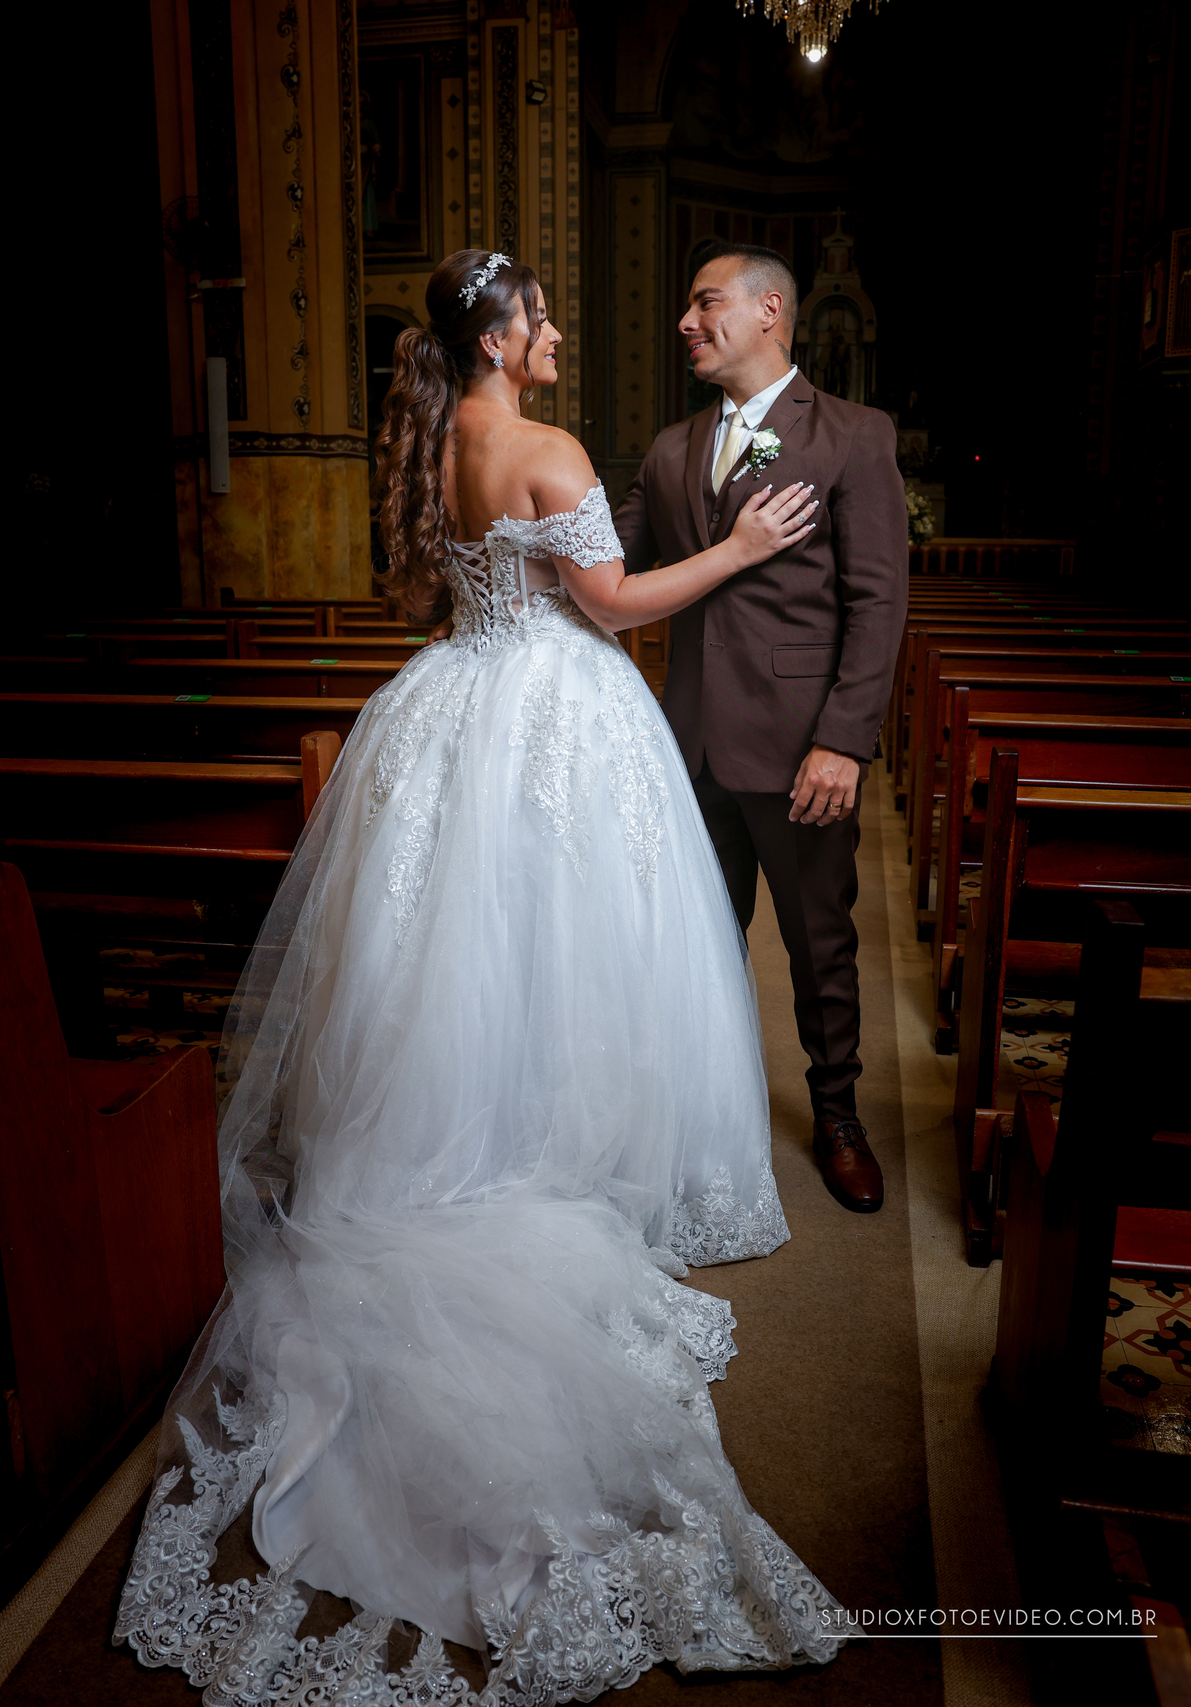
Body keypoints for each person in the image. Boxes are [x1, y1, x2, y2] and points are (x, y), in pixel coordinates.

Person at [116, 249, 858, 1700]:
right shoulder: (547, 446)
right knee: (562, 949)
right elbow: (617, 606)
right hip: (553, 710)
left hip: (453, 701)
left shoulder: (438, 435)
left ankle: (474, 1127)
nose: (559, 330)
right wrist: (740, 550)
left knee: (456, 955)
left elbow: (479, 587)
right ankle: (546, 1154)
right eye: (542, 317)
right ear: (503, 340)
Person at [612, 243, 908, 1214]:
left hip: (799, 749)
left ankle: (838, 1115)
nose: (687, 323)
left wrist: (844, 740)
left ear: (769, 310)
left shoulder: (853, 435)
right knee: (697, 944)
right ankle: (705, 1112)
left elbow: (877, 602)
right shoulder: (669, 450)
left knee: (820, 944)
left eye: (706, 304)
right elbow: (608, 570)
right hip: (687, 745)